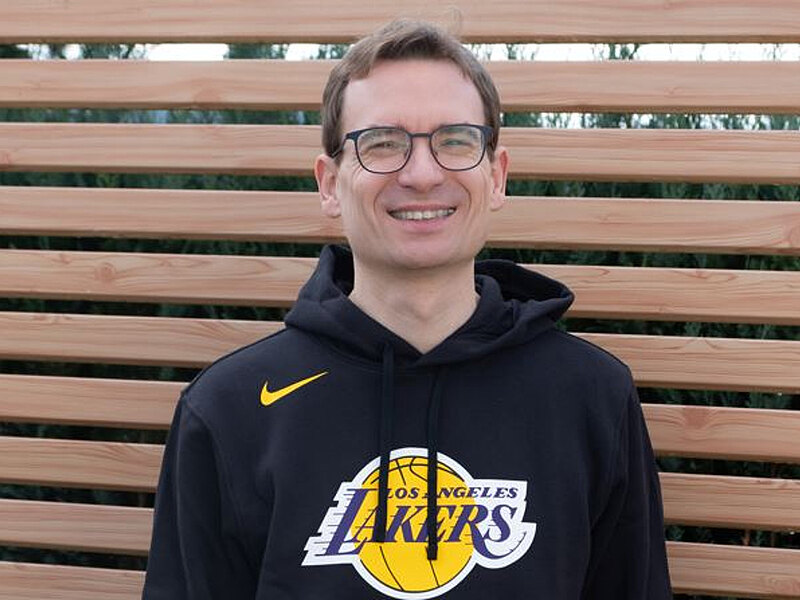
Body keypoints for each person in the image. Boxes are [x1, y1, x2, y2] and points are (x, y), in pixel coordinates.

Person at [143, 19, 672, 599]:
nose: (422, 174)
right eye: (383, 143)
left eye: (456, 141)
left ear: (496, 176)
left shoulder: (591, 396)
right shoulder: (230, 407)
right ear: (330, 184)